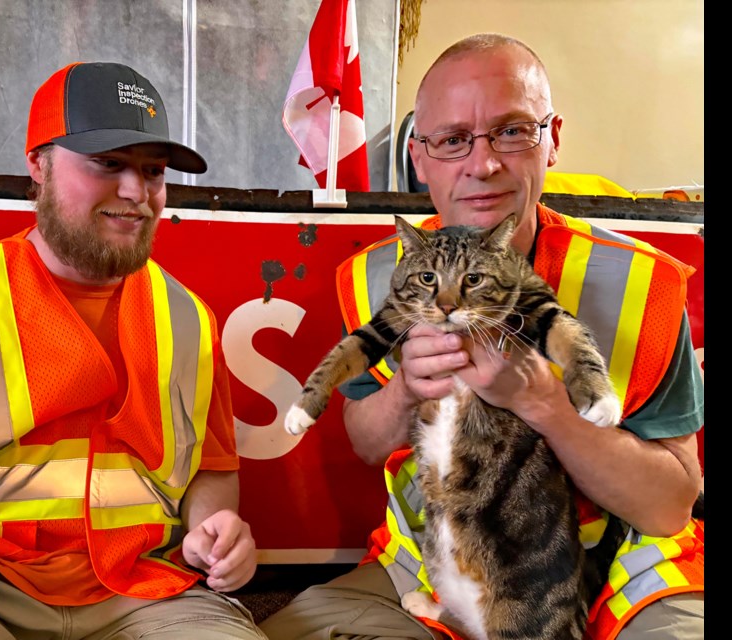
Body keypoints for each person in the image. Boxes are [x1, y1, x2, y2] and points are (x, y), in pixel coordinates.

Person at [260, 33, 704, 640]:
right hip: (433, 564)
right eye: (451, 141)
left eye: (514, 131)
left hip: (628, 574)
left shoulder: (640, 281)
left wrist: (546, 405)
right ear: (419, 157)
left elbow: (671, 504)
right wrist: (405, 390)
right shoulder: (375, 276)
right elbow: (365, 443)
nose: (484, 163)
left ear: (552, 141)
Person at [0, 61, 266, 640]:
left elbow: (211, 472)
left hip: (143, 590)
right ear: (38, 165)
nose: (136, 193)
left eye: (152, 171)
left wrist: (215, 528)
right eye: (108, 164)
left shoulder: (190, 319)